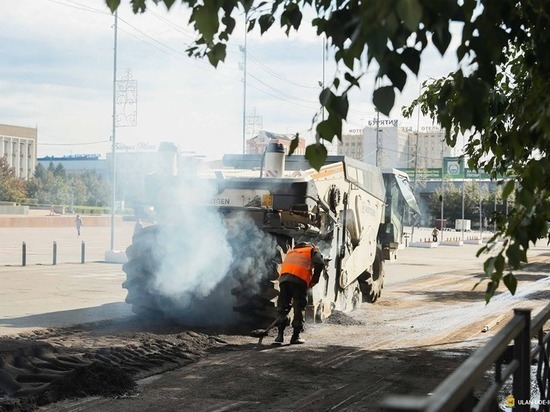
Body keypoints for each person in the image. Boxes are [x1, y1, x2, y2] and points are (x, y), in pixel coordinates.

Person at [274, 242, 325, 345]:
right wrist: (314, 280)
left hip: (284, 280)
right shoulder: (312, 250)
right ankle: (295, 336)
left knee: (283, 307)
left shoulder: (292, 252)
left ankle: (279, 336)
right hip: (299, 280)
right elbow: (320, 263)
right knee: (299, 307)